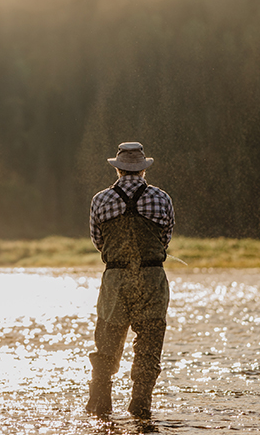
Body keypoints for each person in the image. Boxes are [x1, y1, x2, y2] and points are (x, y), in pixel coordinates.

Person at [85, 141, 174, 419]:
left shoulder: (100, 200)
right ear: (143, 170)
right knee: (149, 344)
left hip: (115, 278)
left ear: (119, 170)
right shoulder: (162, 198)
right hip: (151, 278)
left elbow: (98, 241)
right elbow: (165, 238)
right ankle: (140, 406)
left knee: (108, 342)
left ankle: (100, 407)